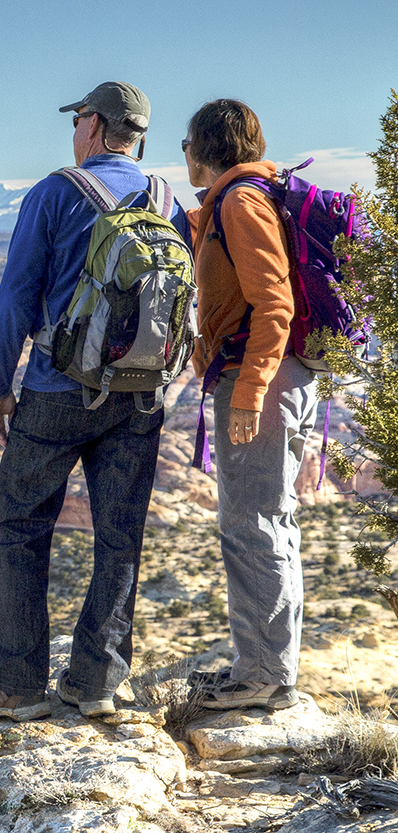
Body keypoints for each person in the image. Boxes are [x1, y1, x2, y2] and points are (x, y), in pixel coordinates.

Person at [0, 82, 169, 720]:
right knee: (120, 536)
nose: (73, 131)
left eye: (77, 119)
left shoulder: (58, 192)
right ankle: (96, 682)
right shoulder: (166, 199)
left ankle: (20, 684)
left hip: (57, 391)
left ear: (93, 125)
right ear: (136, 135)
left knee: (22, 530)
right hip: (140, 395)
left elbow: (16, 297)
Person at [180, 99, 313, 711]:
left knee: (251, 525)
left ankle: (260, 676)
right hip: (282, 377)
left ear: (202, 147)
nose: (181, 154)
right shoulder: (239, 199)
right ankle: (267, 667)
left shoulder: (240, 202)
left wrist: (249, 393)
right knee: (270, 523)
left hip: (263, 381)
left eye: (185, 143)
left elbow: (275, 303)